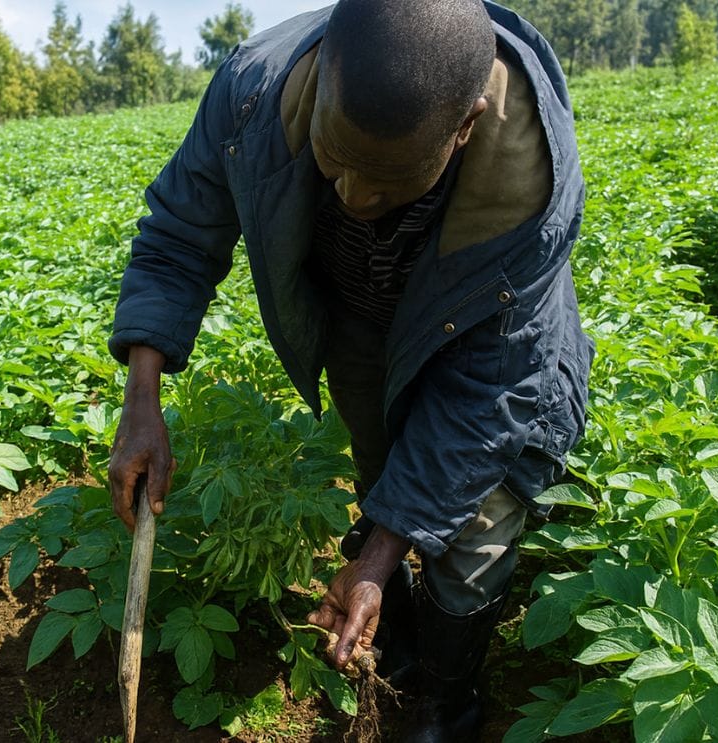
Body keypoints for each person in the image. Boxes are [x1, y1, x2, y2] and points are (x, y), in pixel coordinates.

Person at [107, 0, 593, 739]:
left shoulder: (527, 189)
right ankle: (396, 644)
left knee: (476, 520)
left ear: (465, 126)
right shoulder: (252, 93)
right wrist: (141, 395)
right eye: (336, 161)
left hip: (483, 337)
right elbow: (181, 231)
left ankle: (446, 702)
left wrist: (382, 549)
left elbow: (489, 397)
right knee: (381, 472)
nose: (355, 198)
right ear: (324, 72)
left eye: (391, 181)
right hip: (360, 325)